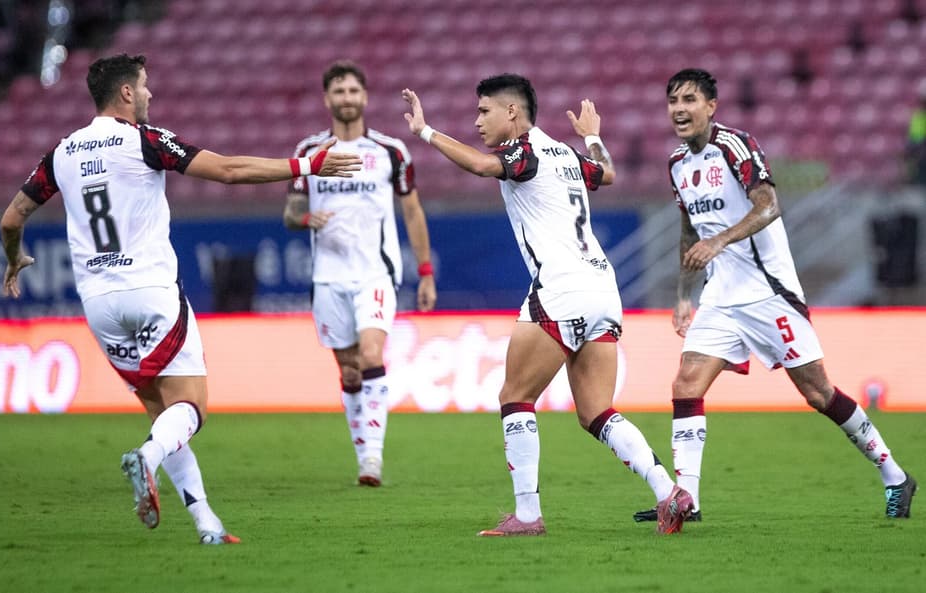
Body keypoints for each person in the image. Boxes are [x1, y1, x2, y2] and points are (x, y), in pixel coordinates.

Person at [0, 53, 361, 544]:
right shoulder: (145, 140)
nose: (150, 95)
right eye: (144, 87)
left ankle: (206, 522)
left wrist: (15, 258)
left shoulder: (61, 154)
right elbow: (229, 170)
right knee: (191, 408)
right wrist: (305, 164)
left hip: (99, 306)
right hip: (151, 294)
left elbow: (11, 218)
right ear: (126, 93)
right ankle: (144, 459)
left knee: (164, 415)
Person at [402, 74, 693, 536]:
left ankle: (528, 515)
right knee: (596, 411)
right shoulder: (567, 153)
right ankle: (668, 491)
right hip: (603, 288)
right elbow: (609, 173)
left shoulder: (527, 150)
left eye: (484, 111)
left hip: (561, 288)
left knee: (515, 397)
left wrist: (424, 132)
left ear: (512, 113)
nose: (478, 121)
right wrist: (593, 136)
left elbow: (481, 166)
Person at [632, 68, 916, 524]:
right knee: (686, 383)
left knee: (819, 393)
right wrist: (685, 295)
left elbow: (768, 205)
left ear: (711, 106)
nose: (679, 109)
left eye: (689, 100)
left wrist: (721, 241)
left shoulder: (736, 146)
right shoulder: (677, 164)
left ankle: (895, 476)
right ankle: (687, 500)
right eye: (672, 102)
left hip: (769, 293)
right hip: (721, 296)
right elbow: (689, 229)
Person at [283, 60, 436, 487]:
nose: (347, 98)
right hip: (328, 277)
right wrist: (306, 217)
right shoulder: (308, 153)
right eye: (339, 92)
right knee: (350, 372)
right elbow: (291, 213)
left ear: (364, 97)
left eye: (353, 91)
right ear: (326, 99)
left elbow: (412, 210)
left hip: (376, 274)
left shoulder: (391, 153)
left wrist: (425, 272)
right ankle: (361, 454)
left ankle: (372, 459)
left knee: (371, 356)